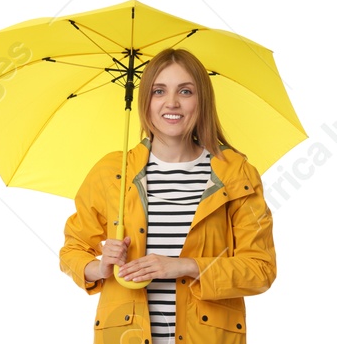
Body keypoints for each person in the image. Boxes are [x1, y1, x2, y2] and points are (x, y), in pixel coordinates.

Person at [59, 48, 275, 344]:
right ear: (145, 101)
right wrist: (99, 267)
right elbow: (72, 249)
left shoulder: (236, 174)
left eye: (185, 91)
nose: (171, 102)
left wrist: (185, 265)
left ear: (202, 102)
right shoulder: (111, 172)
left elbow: (260, 270)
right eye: (159, 91)